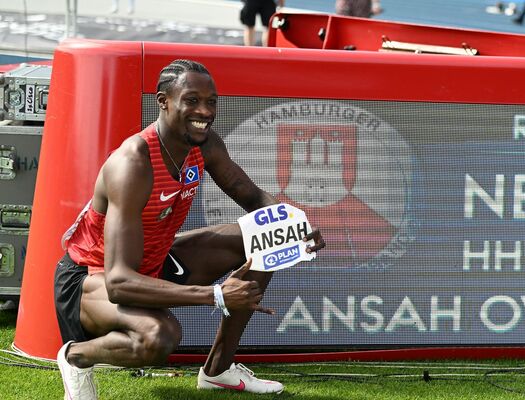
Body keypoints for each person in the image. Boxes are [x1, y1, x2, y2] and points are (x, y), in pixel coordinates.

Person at [54, 59, 325, 399]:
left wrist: (296, 224)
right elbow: (119, 282)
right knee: (160, 336)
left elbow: (252, 196)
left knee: (267, 237)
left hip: (154, 262)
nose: (205, 111)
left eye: (211, 102)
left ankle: (218, 371)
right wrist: (216, 295)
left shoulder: (204, 144)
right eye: (192, 100)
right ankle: (76, 357)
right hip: (92, 279)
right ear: (163, 101)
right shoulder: (133, 163)